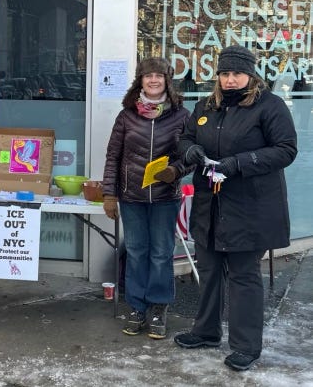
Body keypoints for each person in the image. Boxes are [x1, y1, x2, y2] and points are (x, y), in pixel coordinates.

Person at [174, 45, 297, 372]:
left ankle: (245, 346)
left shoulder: (269, 106)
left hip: (249, 206)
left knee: (243, 277)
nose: (230, 80)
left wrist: (238, 163)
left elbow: (285, 150)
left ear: (250, 75)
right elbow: (185, 139)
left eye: (237, 74)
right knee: (210, 270)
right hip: (209, 204)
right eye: (225, 74)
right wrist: (191, 151)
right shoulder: (205, 105)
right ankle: (206, 331)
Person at [102, 57, 190, 339]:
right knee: (137, 253)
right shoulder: (126, 115)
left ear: (167, 80)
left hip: (166, 197)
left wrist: (175, 171)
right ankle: (137, 307)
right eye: (148, 75)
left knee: (161, 253)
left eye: (159, 76)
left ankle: (158, 307)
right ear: (140, 80)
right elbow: (113, 156)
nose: (153, 80)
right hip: (132, 197)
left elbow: (191, 156)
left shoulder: (181, 115)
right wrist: (109, 194)